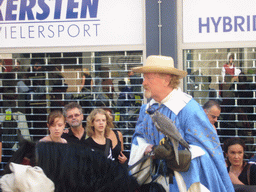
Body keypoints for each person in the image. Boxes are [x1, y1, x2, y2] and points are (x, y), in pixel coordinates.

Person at [128, 55, 234, 191]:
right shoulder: (147, 110)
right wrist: (146, 148)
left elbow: (209, 152)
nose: (144, 83)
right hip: (153, 184)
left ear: (166, 80)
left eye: (149, 78)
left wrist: (183, 157)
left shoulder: (188, 109)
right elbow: (138, 138)